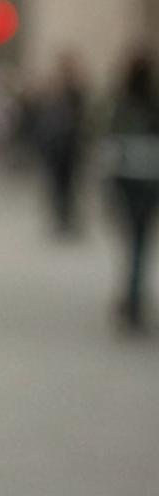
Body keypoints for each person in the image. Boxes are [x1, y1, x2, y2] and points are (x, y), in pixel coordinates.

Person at [103, 46, 159, 333]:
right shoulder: (147, 103)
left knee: (133, 245)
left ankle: (132, 299)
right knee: (139, 244)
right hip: (147, 185)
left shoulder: (123, 105)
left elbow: (111, 146)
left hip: (129, 184)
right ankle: (133, 298)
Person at [33, 51, 90, 236]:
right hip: (55, 147)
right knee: (56, 185)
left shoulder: (76, 91)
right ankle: (59, 218)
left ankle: (68, 218)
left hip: (71, 147)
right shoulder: (53, 92)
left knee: (70, 185)